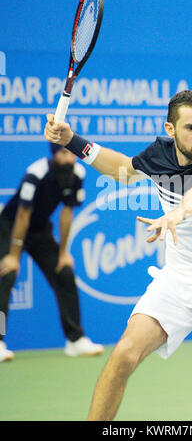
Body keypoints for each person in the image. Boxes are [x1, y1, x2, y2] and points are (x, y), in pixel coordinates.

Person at [44, 90, 192, 421]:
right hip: (177, 283)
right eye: (191, 128)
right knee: (124, 355)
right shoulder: (159, 155)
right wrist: (72, 140)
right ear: (170, 130)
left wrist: (176, 214)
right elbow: (123, 170)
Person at [0, 144, 104, 362]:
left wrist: (64, 252)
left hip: (39, 231)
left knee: (64, 272)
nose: (69, 159)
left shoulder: (77, 173)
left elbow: (66, 214)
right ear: (54, 154)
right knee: (5, 276)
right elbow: (22, 214)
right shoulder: (36, 173)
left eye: (72, 154)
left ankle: (75, 340)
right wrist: (13, 255)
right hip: (9, 227)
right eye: (63, 154)